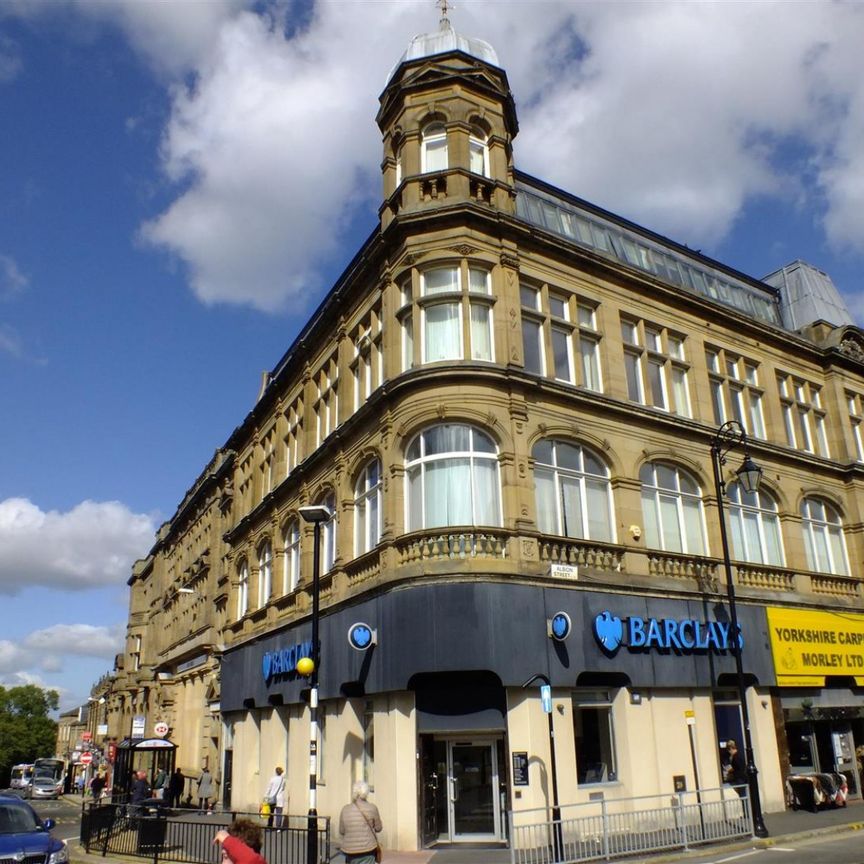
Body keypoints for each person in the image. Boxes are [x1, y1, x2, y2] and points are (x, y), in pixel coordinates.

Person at [339, 781, 382, 864]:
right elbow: (378, 828)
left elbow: (342, 831)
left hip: (350, 850)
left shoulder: (345, 809)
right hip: (367, 849)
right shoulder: (372, 808)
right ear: (366, 792)